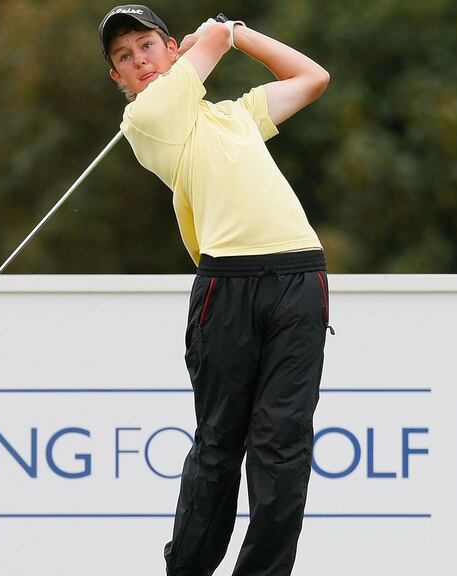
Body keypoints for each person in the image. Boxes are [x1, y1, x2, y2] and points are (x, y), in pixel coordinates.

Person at [98, 5, 332, 575]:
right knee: (220, 448)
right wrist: (220, 35)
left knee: (283, 447)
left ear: (169, 48)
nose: (139, 62)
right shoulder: (146, 119)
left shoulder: (236, 116)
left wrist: (244, 35)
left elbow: (311, 78)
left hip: (300, 275)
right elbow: (207, 56)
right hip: (226, 286)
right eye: (124, 58)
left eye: (147, 46)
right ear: (120, 81)